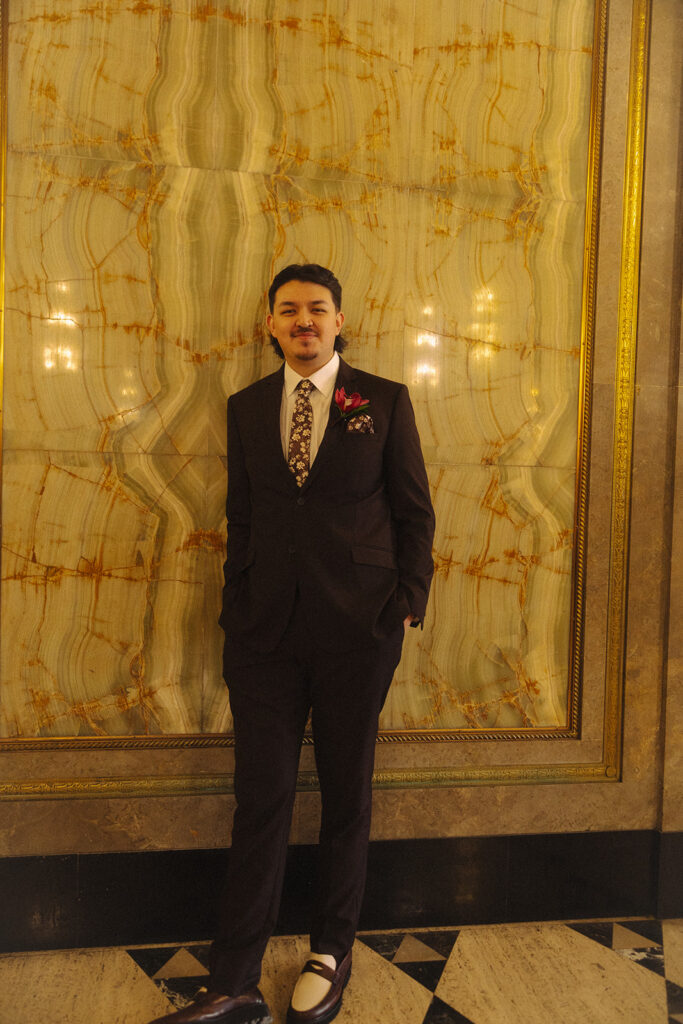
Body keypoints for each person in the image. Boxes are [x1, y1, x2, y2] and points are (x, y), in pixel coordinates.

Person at [150, 264, 435, 1024]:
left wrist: (408, 601)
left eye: (316, 308)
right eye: (288, 310)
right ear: (270, 325)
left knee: (346, 796)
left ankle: (330, 953)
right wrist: (235, 602)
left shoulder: (381, 400)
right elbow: (242, 515)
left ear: (340, 321)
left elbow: (413, 509)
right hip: (263, 635)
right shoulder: (246, 406)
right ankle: (235, 979)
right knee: (261, 798)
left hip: (359, 630)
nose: (303, 320)